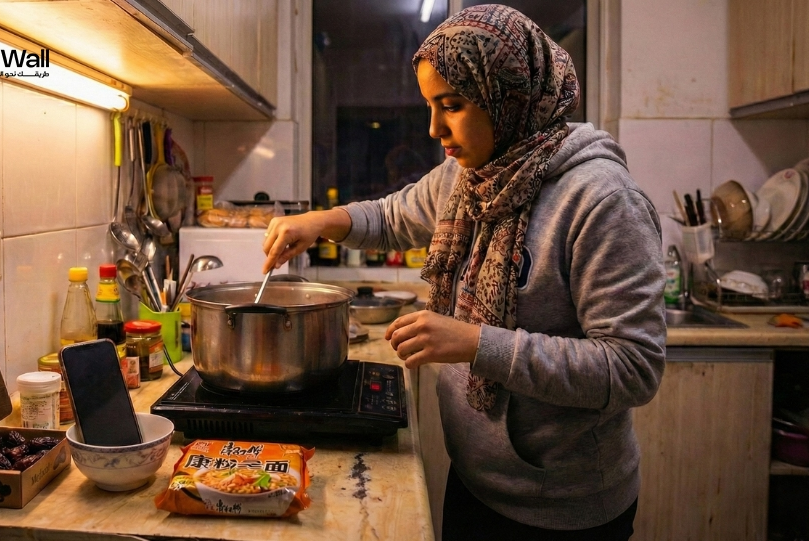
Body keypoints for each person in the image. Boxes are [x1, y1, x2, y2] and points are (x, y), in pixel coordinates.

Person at [262, 5, 665, 540]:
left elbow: (632, 367)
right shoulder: (469, 173)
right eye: (430, 106)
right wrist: (322, 222)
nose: (435, 129)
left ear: (508, 97)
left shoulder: (602, 200)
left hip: (563, 507)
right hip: (475, 479)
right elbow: (394, 216)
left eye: (451, 106)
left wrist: (476, 342)